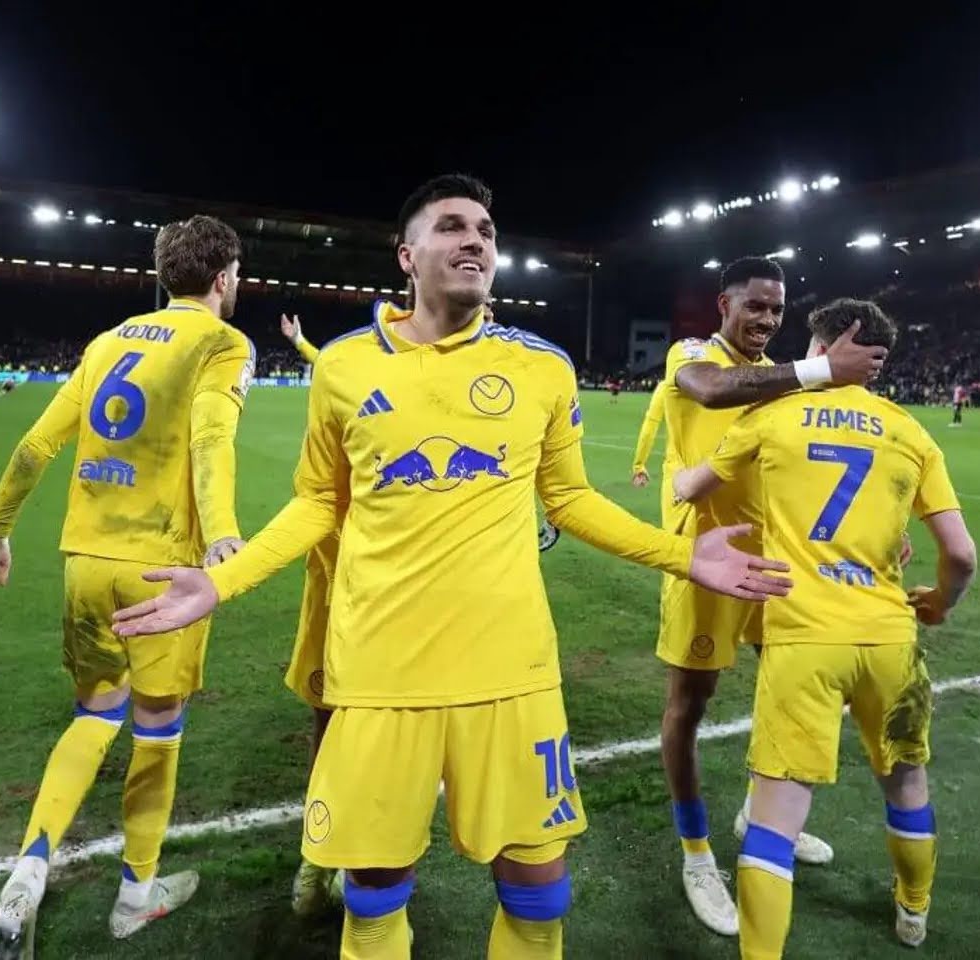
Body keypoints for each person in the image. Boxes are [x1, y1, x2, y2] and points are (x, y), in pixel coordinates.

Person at [111, 174, 792, 959]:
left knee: (540, 899)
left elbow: (567, 500)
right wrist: (220, 578)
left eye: (487, 232)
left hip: (512, 675)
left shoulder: (542, 366)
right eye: (453, 227)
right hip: (377, 679)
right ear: (407, 255)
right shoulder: (343, 365)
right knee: (373, 904)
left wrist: (683, 554)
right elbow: (317, 505)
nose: (476, 240)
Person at [0, 216, 255, 957]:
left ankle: (30, 867)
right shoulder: (223, 342)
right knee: (158, 727)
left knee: (93, 717)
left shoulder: (108, 340)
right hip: (162, 565)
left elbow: (36, 446)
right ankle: (135, 893)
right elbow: (211, 438)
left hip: (85, 561)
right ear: (223, 278)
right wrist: (222, 529)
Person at [670, 298, 978, 956]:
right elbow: (961, 555)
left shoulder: (771, 415)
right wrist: (940, 603)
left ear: (819, 344)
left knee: (776, 818)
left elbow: (691, 487)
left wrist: (676, 479)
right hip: (890, 638)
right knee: (908, 784)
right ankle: (913, 911)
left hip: (800, 637)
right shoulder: (910, 431)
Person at [646, 257, 886, 935]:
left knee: (791, 686)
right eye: (755, 306)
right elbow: (714, 391)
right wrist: (817, 371)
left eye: (777, 310)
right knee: (689, 706)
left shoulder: (781, 375)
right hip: (703, 559)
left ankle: (758, 811)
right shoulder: (692, 353)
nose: (767, 320)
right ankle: (697, 855)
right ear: (724, 303)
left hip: (772, 559)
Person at [278, 311, 347, 917]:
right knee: (327, 728)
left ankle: (369, 862)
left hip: (412, 603)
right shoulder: (350, 373)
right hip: (335, 593)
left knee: (393, 733)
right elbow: (314, 502)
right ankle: (319, 854)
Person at [630, 379, 667, 487]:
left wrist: (639, 465)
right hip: (713, 468)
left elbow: (648, 430)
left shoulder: (666, 388)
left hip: (678, 471)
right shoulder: (713, 386)